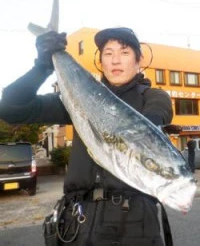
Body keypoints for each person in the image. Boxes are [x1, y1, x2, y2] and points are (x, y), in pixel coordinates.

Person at [0, 27, 173, 245]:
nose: (115, 60)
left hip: (133, 221)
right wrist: (42, 65)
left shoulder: (152, 96)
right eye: (108, 53)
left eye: (124, 52)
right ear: (101, 61)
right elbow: (11, 108)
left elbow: (156, 116)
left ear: (139, 60)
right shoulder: (80, 99)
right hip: (77, 220)